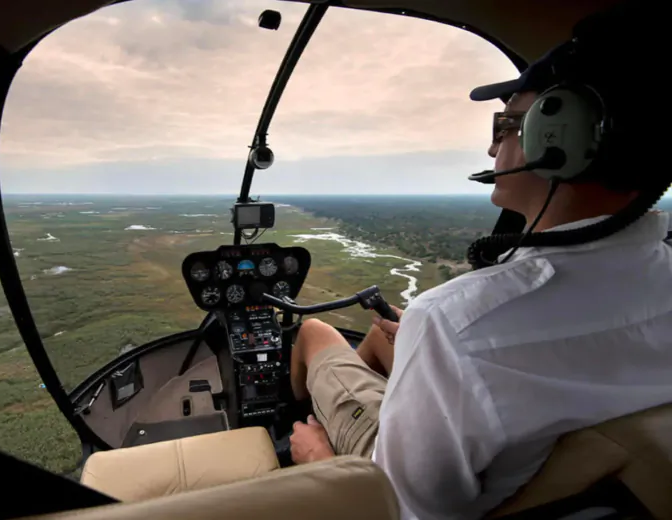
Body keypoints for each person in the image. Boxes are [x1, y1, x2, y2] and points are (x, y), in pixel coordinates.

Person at [287, 4, 672, 520]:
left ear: (562, 137)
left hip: (388, 483)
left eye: (507, 125)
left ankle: (305, 419)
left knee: (315, 333)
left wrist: (322, 461)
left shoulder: (454, 323)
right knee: (382, 335)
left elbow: (405, 512)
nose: (493, 149)